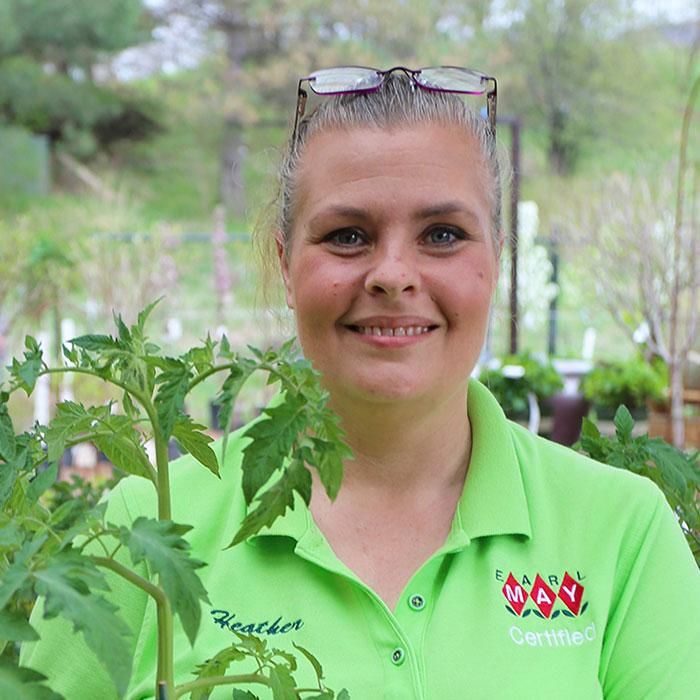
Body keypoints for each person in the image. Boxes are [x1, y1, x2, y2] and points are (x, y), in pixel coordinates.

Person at [21, 66, 700, 699]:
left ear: (497, 259)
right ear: (285, 263)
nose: (392, 274)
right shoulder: (147, 528)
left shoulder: (621, 535)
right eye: (348, 236)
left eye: (441, 234)